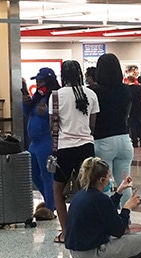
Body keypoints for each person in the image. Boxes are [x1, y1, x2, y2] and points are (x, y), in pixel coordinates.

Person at [65, 157, 141, 258]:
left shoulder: (81, 194)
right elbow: (119, 230)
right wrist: (127, 208)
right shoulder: (100, 198)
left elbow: (105, 210)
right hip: (93, 254)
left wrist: (119, 192)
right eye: (109, 177)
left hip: (75, 254)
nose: (110, 180)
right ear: (101, 180)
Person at [49, 60, 100, 244]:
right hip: (87, 147)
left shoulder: (56, 96)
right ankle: (87, 230)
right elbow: (93, 125)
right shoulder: (91, 94)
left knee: (58, 191)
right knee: (87, 190)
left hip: (64, 148)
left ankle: (65, 232)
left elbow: (52, 125)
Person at [91, 53, 134, 206]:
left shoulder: (94, 91)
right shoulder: (126, 90)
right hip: (124, 139)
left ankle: (107, 216)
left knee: (104, 183)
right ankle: (126, 215)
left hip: (103, 141)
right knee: (125, 181)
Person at [22, 67, 61, 219]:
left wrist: (46, 114)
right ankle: (51, 201)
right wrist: (26, 104)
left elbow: (58, 118)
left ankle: (50, 207)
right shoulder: (37, 96)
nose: (38, 83)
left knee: (46, 175)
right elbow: (28, 113)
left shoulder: (53, 96)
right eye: (37, 80)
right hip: (34, 142)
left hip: (46, 140)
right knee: (34, 174)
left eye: (41, 80)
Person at [127, 75, 141, 148]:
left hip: (131, 109)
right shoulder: (139, 87)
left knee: (132, 126)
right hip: (140, 108)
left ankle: (134, 142)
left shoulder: (127, 88)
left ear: (128, 80)